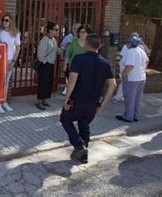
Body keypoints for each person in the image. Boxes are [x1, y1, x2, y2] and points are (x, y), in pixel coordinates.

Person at [60, 33, 116, 163]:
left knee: (65, 119)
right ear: (99, 46)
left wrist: (66, 99)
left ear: (85, 44)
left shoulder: (79, 59)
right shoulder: (104, 63)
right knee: (84, 125)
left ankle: (79, 146)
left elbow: (72, 81)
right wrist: (102, 105)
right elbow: (112, 84)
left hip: (77, 101)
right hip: (93, 104)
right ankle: (83, 154)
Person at [116, 34, 149, 123]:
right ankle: (135, 115)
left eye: (128, 42)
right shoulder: (141, 50)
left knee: (129, 98)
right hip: (141, 77)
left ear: (130, 43)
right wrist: (141, 69)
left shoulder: (131, 52)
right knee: (137, 98)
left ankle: (128, 116)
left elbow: (130, 65)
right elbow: (147, 61)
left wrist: (124, 74)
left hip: (132, 78)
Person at [113, 32, 151, 103]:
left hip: (133, 68)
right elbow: (122, 57)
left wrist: (142, 42)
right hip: (125, 66)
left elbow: (148, 52)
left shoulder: (141, 47)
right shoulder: (126, 46)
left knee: (128, 83)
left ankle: (123, 97)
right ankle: (118, 97)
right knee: (124, 82)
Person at [0, 12, 20, 113]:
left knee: (6, 82)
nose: (4, 22)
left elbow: (18, 48)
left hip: (10, 60)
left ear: (11, 22)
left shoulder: (16, 33)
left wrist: (14, 61)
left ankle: (4, 102)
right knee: (0, 82)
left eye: (6, 20)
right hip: (1, 60)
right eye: (3, 20)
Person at [35, 21, 61, 110]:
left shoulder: (53, 40)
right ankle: (39, 101)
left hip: (50, 64)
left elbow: (57, 50)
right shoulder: (45, 40)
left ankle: (44, 99)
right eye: (56, 30)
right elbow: (40, 54)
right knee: (43, 82)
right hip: (45, 65)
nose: (57, 31)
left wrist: (63, 50)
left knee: (48, 82)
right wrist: (45, 61)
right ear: (50, 30)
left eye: (58, 30)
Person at [60, 23, 80, 95]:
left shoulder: (81, 38)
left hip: (78, 61)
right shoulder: (68, 38)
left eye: (78, 29)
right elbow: (62, 47)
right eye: (74, 28)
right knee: (68, 75)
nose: (76, 30)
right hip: (68, 60)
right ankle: (67, 89)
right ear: (72, 29)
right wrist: (62, 58)